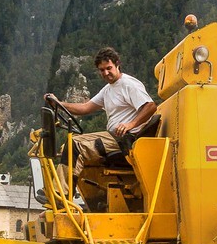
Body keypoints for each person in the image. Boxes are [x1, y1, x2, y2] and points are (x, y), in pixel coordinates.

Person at [45, 47, 158, 211]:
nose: (105, 73)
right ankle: (92, 200)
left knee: (76, 144)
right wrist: (59, 104)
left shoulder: (128, 84)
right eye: (101, 70)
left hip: (126, 139)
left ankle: (59, 196)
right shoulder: (108, 90)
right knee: (66, 147)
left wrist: (130, 125)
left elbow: (150, 106)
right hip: (113, 138)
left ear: (117, 65)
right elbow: (85, 108)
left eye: (108, 68)